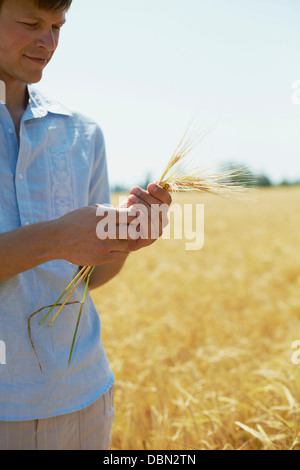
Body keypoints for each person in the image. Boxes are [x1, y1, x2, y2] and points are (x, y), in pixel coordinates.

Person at [0, 0, 171, 450]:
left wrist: (123, 244)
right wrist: (55, 237)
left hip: (83, 398)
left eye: (57, 25)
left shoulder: (83, 133)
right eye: (31, 23)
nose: (48, 41)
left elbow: (83, 279)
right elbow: (59, 243)